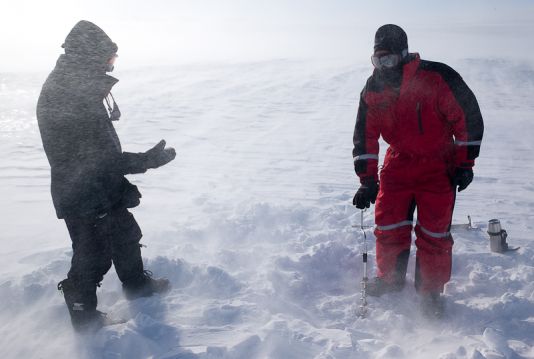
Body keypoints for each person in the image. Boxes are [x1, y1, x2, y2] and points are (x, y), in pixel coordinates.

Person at [36, 20, 177, 331]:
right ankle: (83, 312)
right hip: (81, 190)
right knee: (93, 253)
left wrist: (121, 177)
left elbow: (99, 154)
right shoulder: (67, 93)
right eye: (108, 58)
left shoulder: (77, 83)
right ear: (89, 56)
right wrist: (146, 161)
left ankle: (137, 285)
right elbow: (96, 157)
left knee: (125, 235)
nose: (111, 64)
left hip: (97, 183)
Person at [352, 24, 484, 318]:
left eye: (388, 59)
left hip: (439, 163)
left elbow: (467, 118)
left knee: (434, 232)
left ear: (403, 54)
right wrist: (367, 181)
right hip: (398, 163)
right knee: (388, 224)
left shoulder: (436, 77)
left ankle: (430, 292)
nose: (383, 66)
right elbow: (365, 136)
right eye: (377, 60)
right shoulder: (373, 90)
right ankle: (390, 278)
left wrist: (465, 163)